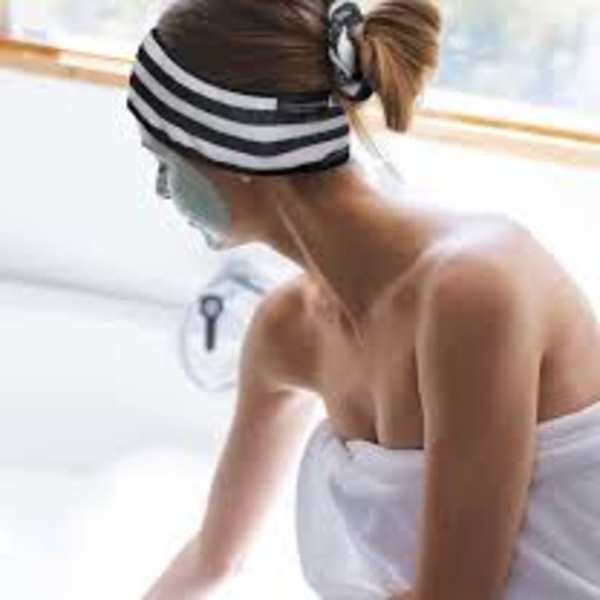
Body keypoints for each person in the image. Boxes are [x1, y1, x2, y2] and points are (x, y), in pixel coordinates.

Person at [127, 0, 600, 598]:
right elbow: (214, 558)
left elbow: (456, 594)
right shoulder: (286, 331)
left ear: (231, 147)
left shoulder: (473, 289)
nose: (161, 188)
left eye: (164, 159)